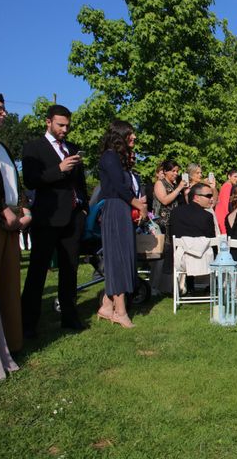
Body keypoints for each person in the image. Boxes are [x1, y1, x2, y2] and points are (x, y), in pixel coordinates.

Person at [21, 104, 89, 336]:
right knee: (38, 271)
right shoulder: (34, 148)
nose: (65, 129)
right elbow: (30, 180)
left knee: (70, 269)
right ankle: (28, 323)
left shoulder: (72, 148)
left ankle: (70, 317)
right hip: (48, 218)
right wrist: (59, 168)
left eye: (68, 125)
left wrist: (84, 208)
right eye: (60, 125)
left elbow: (79, 182)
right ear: (48, 122)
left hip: (73, 217)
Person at [96, 121, 147, 329]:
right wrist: (139, 205)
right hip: (115, 209)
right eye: (130, 135)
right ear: (121, 136)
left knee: (125, 257)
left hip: (123, 210)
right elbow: (118, 187)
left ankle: (107, 306)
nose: (134, 139)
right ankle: (121, 311)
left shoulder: (119, 159)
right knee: (118, 258)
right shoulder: (110, 156)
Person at [0, 91, 23, 352]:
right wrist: (1, 209)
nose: (4, 113)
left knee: (10, 285)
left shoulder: (2, 147)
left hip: (12, 222)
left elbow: (13, 181)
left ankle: (11, 342)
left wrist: (22, 209)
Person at [151, 159, 187, 295]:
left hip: (174, 223)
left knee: (172, 255)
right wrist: (178, 189)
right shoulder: (160, 184)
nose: (176, 174)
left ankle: (169, 286)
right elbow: (165, 200)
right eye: (173, 171)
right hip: (162, 224)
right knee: (160, 254)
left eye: (177, 171)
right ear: (165, 171)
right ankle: (155, 286)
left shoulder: (175, 185)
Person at [215, 168, 237, 234]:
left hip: (220, 214)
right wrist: (229, 217)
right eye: (235, 176)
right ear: (229, 176)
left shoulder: (225, 185)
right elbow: (225, 204)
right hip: (223, 215)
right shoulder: (228, 186)